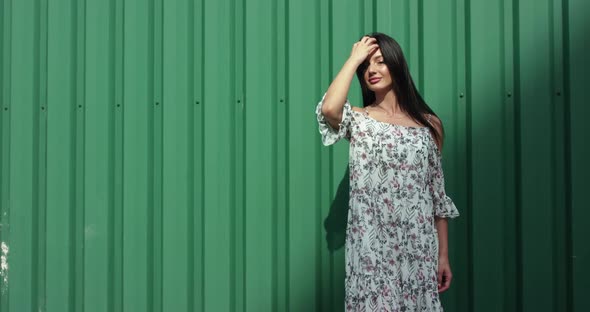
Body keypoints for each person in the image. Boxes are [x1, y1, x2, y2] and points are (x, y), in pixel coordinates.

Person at [315, 33, 460, 311]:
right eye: (365, 66)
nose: (371, 70)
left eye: (380, 61)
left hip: (417, 246)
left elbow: (436, 196)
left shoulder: (429, 125)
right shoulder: (359, 120)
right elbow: (330, 108)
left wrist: (443, 256)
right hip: (372, 250)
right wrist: (353, 57)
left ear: (396, 64)